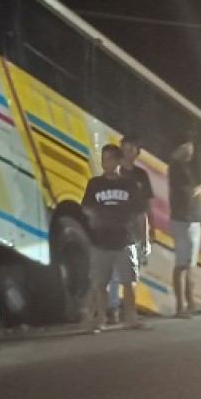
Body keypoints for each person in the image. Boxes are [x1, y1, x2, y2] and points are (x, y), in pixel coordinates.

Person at [82, 144, 149, 331]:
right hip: (100, 240)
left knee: (129, 282)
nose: (106, 163)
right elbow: (86, 207)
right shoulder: (94, 184)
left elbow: (140, 214)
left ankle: (131, 318)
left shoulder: (129, 185)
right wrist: (94, 217)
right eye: (104, 159)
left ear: (119, 160)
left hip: (125, 239)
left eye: (110, 159)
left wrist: (145, 239)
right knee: (99, 282)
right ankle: (101, 319)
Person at [168, 137, 201, 319]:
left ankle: (191, 304)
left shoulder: (186, 166)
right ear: (179, 148)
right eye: (187, 146)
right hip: (183, 220)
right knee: (182, 264)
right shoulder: (176, 167)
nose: (191, 149)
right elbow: (192, 192)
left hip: (193, 219)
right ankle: (181, 306)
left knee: (190, 265)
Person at [106, 136, 153, 324]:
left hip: (136, 225)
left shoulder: (141, 175)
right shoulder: (115, 173)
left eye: (133, 148)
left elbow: (147, 205)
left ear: (137, 152)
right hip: (117, 224)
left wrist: (149, 230)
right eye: (125, 148)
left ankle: (128, 310)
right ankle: (113, 309)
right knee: (115, 271)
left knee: (132, 271)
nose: (128, 151)